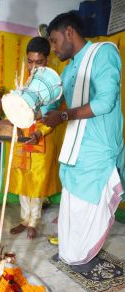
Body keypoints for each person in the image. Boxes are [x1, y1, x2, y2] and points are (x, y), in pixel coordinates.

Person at [41, 12, 124, 272]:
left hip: (98, 148)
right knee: (72, 205)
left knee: (88, 208)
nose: (53, 49)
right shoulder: (68, 71)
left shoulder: (104, 53)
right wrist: (35, 126)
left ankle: (82, 256)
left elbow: (104, 102)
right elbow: (52, 107)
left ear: (69, 32)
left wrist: (64, 115)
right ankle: (72, 254)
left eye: (54, 41)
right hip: (75, 150)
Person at [1, 37, 60, 239]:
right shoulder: (22, 83)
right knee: (22, 180)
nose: (33, 67)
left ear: (47, 61)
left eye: (39, 62)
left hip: (41, 139)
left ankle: (34, 222)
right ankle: (24, 220)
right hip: (22, 139)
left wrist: (38, 132)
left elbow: (51, 118)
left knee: (37, 183)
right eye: (30, 61)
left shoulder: (52, 86)